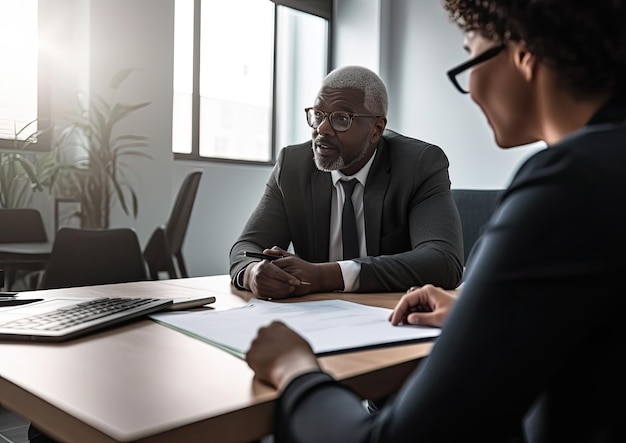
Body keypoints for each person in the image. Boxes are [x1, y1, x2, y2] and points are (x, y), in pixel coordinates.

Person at [245, 0, 626, 441]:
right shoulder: (604, 170)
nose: (473, 88)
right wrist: (477, 311)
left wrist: (294, 369)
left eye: (471, 55)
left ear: (524, 52)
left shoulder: (567, 185)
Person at [230, 65, 464, 299]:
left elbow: (443, 261)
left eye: (341, 118)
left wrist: (325, 276)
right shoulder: (292, 166)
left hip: (390, 314)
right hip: (314, 316)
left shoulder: (418, 165)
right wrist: (251, 273)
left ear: (376, 129)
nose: (322, 129)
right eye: (318, 115)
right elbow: (247, 246)